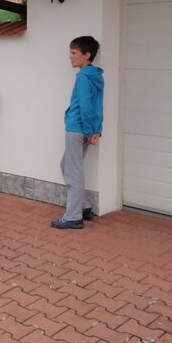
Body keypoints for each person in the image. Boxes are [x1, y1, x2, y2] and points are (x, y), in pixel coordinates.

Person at [51, 36, 104, 230]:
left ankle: (73, 217)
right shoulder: (95, 75)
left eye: (73, 53)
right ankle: (84, 207)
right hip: (86, 129)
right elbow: (98, 106)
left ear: (86, 55)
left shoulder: (83, 77)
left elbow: (86, 107)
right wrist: (96, 130)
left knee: (73, 172)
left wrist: (90, 131)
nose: (70, 56)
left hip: (77, 129)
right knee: (67, 165)